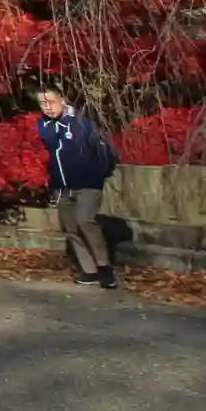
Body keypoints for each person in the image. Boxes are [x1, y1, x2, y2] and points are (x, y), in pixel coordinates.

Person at [36, 84, 119, 289]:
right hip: (62, 186)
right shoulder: (44, 125)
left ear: (63, 100)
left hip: (88, 184)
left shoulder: (83, 123)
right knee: (71, 227)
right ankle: (89, 270)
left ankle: (104, 268)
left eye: (51, 102)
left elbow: (106, 152)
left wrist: (97, 173)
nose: (47, 107)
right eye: (42, 104)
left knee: (85, 221)